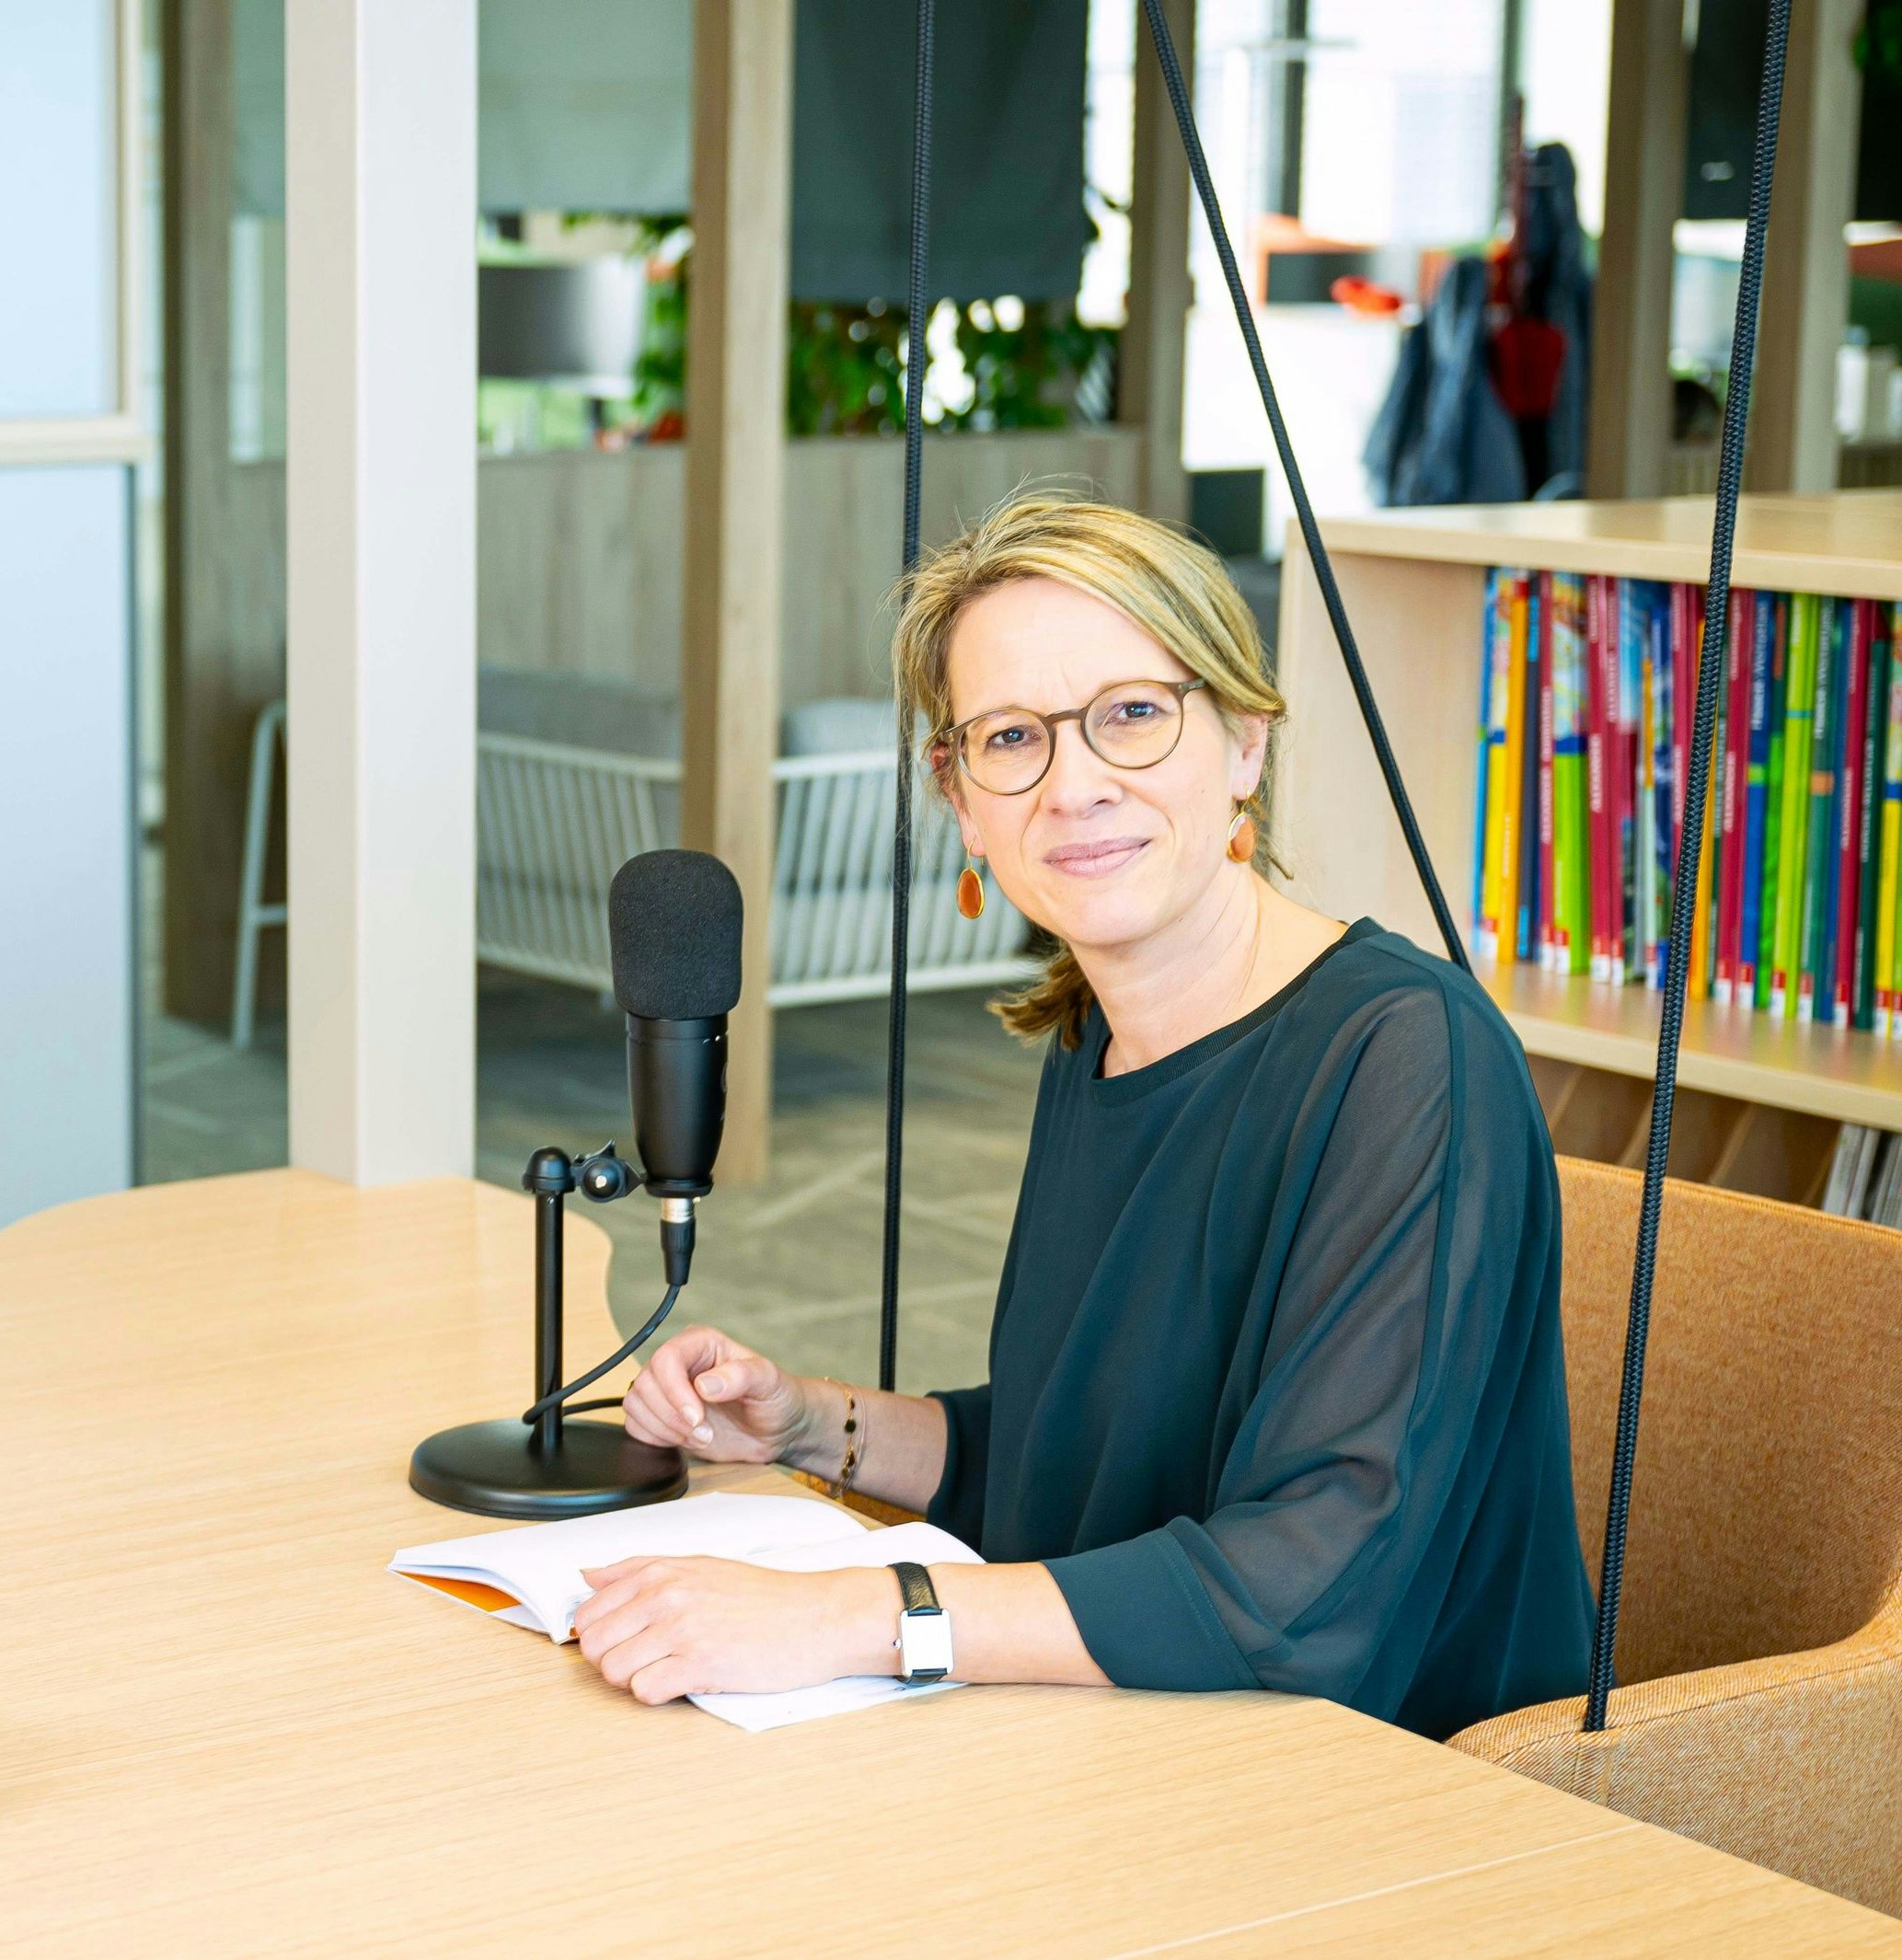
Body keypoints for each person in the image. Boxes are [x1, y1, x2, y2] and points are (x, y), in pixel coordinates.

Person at [581, 493, 1590, 1741]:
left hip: (1379, 1789)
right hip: (1126, 1729)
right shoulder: (1092, 1033)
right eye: (1011, 737)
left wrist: (851, 1613)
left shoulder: (1404, 1060)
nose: (1073, 786)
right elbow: (1073, 1461)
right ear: (960, 799)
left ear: (1243, 745)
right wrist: (805, 1422)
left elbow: (1301, 1590)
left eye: (1130, 715)